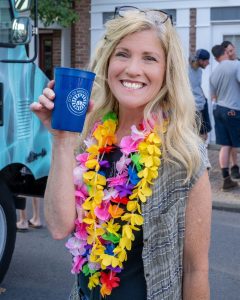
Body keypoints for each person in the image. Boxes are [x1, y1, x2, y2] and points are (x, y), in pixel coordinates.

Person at [31, 6, 211, 300]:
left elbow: (196, 270)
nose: (132, 69)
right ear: (108, 62)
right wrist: (62, 140)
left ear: (167, 72)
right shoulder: (89, 137)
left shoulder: (184, 156)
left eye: (149, 58)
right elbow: (59, 227)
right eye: (123, 54)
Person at [210, 44, 240, 191]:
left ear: (215, 58)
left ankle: (226, 180)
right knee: (237, 144)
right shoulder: (236, 65)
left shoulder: (213, 73)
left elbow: (213, 96)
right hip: (233, 110)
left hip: (219, 110)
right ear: (225, 52)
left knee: (225, 145)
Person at [221, 40, 240, 179]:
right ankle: (234, 166)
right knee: (234, 140)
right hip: (232, 108)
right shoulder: (227, 67)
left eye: (232, 50)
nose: (232, 53)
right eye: (229, 51)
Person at [188, 49, 212, 140]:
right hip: (193, 107)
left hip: (202, 104)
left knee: (204, 135)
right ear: (201, 60)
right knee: (194, 135)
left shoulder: (199, 71)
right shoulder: (186, 71)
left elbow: (197, 86)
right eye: (207, 61)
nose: (208, 63)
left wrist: (204, 97)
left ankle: (202, 153)